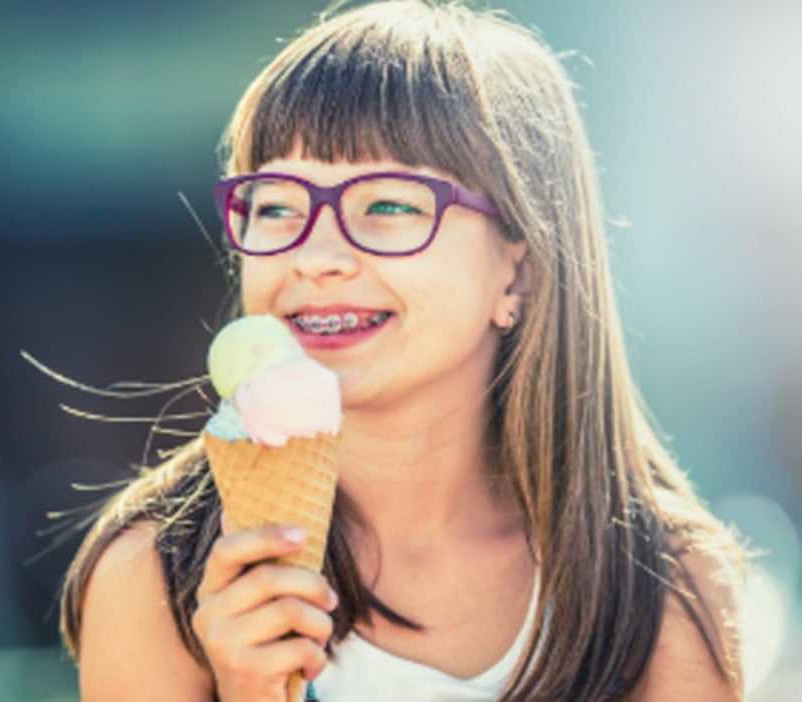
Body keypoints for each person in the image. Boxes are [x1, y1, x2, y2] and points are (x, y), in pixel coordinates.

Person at [58, 1, 747, 700]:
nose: (315, 256)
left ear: (521, 268)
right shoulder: (153, 576)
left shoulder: (661, 586)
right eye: (275, 206)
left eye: (389, 206)